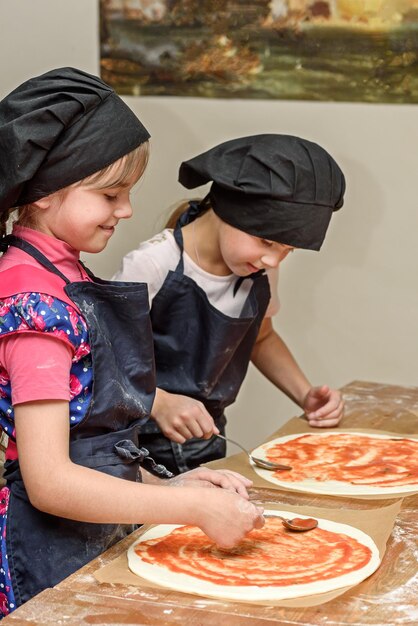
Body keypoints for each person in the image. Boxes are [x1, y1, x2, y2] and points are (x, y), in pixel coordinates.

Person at [0, 68, 264, 616]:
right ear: (46, 193)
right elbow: (50, 480)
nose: (126, 210)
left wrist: (177, 489)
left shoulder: (64, 276)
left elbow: (93, 450)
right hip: (50, 551)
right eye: (110, 194)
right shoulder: (37, 305)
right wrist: (188, 509)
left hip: (90, 534)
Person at [114, 134, 346, 474]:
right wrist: (157, 402)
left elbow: (262, 338)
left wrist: (305, 394)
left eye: (288, 250)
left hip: (208, 441)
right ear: (227, 210)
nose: (273, 259)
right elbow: (100, 358)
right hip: (135, 450)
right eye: (267, 241)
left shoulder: (260, 269)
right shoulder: (151, 264)